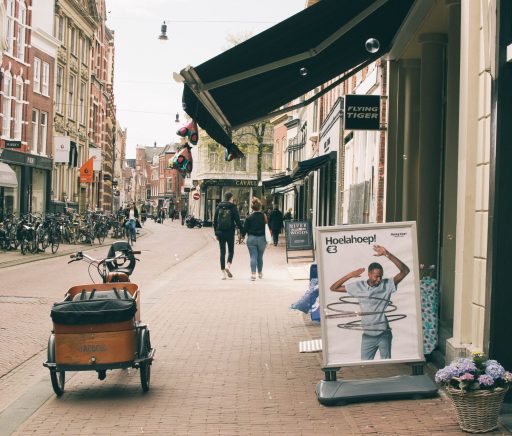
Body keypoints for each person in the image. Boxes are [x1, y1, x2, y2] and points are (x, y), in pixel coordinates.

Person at [329, 245, 410, 360]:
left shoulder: (387, 285)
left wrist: (388, 254)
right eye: (377, 276)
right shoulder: (358, 286)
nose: (379, 279)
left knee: (386, 365)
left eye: (381, 276)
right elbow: (333, 288)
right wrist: (350, 275)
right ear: (369, 274)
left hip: (384, 333)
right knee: (364, 365)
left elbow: (405, 271)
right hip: (367, 335)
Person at [213, 191, 242, 280]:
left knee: (222, 252)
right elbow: (237, 220)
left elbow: (215, 221)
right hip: (230, 232)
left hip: (220, 232)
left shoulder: (218, 207)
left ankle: (223, 274)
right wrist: (242, 230)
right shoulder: (233, 207)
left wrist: (216, 233)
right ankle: (228, 266)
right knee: (231, 251)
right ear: (231, 198)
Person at [241, 197, 267, 281]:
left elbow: (244, 229)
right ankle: (260, 273)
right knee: (260, 257)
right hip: (262, 239)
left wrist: (242, 236)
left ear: (252, 207)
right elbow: (267, 227)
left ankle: (253, 275)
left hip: (251, 239)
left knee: (253, 256)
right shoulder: (264, 216)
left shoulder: (249, 217)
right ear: (260, 207)